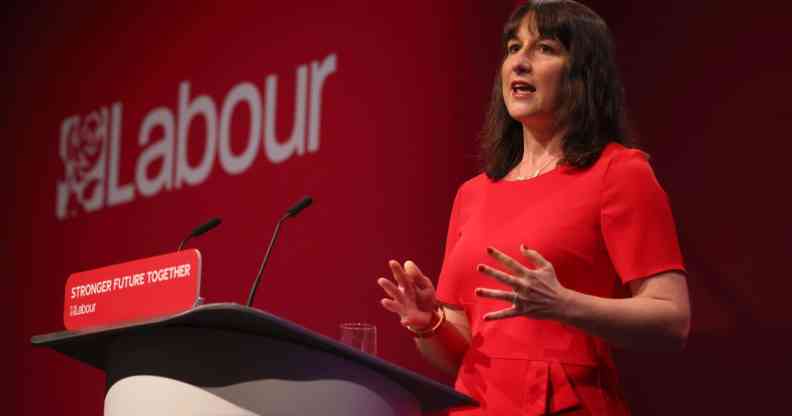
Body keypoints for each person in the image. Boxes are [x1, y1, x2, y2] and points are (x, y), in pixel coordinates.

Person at [376, 1, 691, 415]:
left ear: (583, 72)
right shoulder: (473, 193)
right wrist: (428, 323)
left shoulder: (619, 172)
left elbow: (672, 320)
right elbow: (463, 356)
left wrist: (563, 304)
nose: (520, 62)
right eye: (513, 48)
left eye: (544, 48)